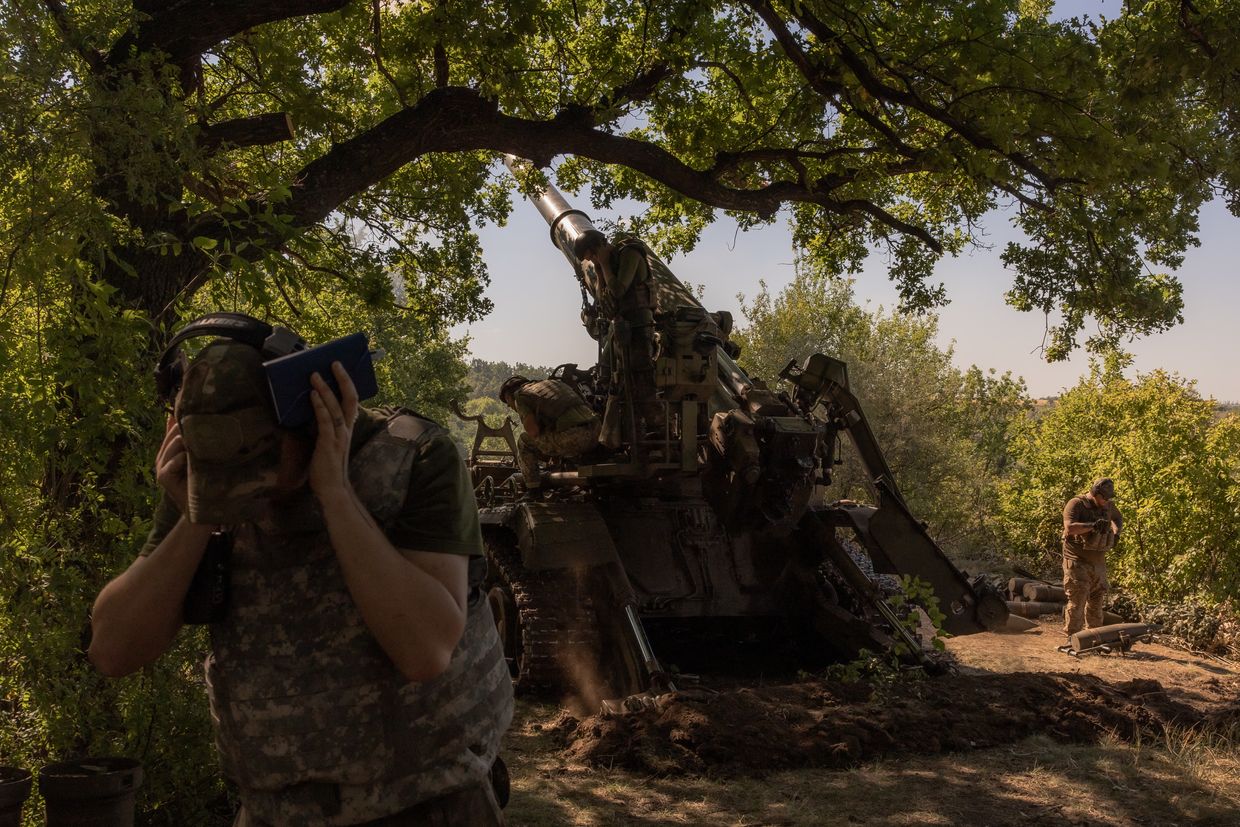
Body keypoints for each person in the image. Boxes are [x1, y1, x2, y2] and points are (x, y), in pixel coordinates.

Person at [87, 328, 513, 826]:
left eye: (260, 470)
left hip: (427, 801)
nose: (251, 498)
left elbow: (425, 649)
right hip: (274, 810)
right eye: (222, 475)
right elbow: (113, 650)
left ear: (315, 416)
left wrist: (334, 493)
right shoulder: (206, 481)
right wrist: (199, 516)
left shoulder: (413, 457)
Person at [572, 230, 664, 442]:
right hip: (622, 328)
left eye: (592, 255)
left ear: (599, 247)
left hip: (640, 326)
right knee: (613, 379)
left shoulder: (629, 254)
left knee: (642, 379)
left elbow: (620, 289)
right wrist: (600, 271)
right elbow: (603, 298)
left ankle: (658, 429)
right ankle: (630, 431)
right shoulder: (606, 263)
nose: (593, 260)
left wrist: (604, 265)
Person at [499, 375, 601, 490]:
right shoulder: (554, 384)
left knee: (524, 441)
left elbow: (533, 431)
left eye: (507, 402)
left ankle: (533, 489)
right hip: (597, 432)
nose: (509, 406)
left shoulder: (520, 395)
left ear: (508, 396)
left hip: (575, 437)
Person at [1061, 477, 1124, 637]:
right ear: (1095, 493)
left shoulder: (1108, 505)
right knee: (1077, 603)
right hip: (1077, 563)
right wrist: (1092, 526)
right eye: (1104, 497)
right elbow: (1069, 528)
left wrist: (1116, 533)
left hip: (1099, 565)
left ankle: (1094, 639)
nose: (1107, 501)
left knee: (1096, 604)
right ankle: (1072, 638)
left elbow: (1118, 518)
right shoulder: (1076, 504)